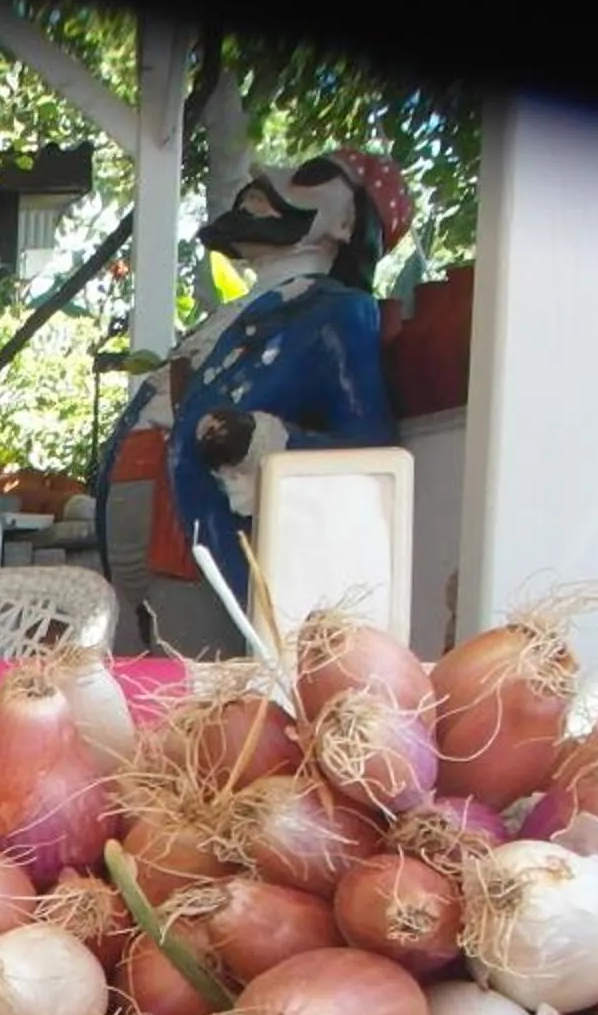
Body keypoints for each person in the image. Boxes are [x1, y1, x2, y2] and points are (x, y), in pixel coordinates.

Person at [93, 147, 412, 654]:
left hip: (198, 523)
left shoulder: (336, 312)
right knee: (131, 664)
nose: (268, 174)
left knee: (188, 672)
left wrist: (260, 442)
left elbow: (371, 451)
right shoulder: (233, 315)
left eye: (309, 177)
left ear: (347, 222)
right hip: (139, 508)